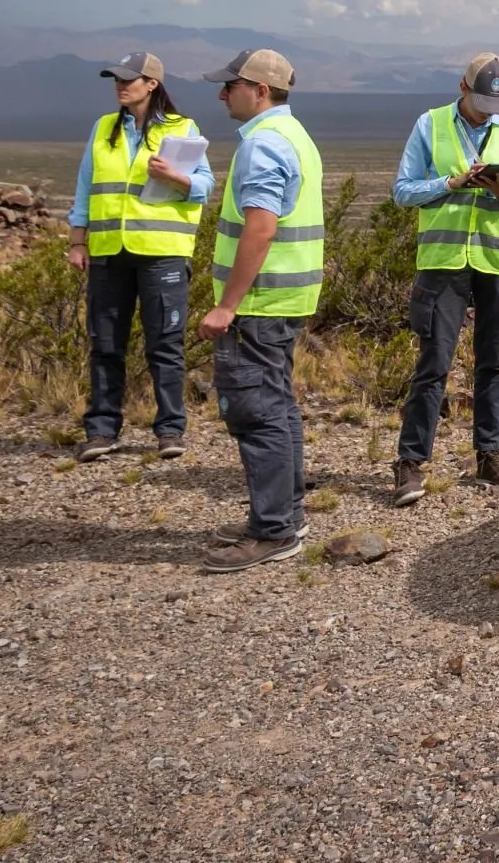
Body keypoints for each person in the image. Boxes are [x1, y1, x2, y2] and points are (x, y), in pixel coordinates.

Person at [195, 49, 323, 573]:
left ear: (261, 90)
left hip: (260, 303)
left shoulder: (264, 144)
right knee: (279, 406)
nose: (223, 94)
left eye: (232, 86)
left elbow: (261, 227)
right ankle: (284, 515)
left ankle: (274, 531)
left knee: (257, 411)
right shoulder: (295, 136)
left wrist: (228, 305)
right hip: (285, 298)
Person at [389, 52, 499, 506]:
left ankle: (490, 456)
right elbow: (402, 191)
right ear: (462, 88)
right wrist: (449, 185)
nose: (490, 114)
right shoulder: (429, 124)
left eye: (497, 106)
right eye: (481, 103)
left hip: (498, 260)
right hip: (444, 262)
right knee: (433, 363)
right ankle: (410, 463)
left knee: (494, 363)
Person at [65, 51, 212, 462]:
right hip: (109, 252)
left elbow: (204, 185)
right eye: (116, 79)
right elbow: (84, 188)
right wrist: (78, 241)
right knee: (105, 343)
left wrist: (175, 177)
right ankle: (101, 430)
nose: (120, 85)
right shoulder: (103, 129)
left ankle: (169, 430)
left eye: (129, 79)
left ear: (152, 84)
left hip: (162, 253)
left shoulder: (183, 129)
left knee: (164, 344)